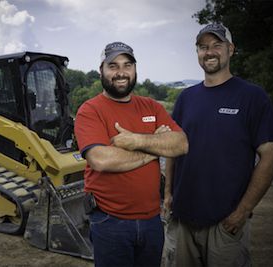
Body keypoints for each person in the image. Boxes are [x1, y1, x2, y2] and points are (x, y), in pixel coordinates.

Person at [164, 23, 273, 267]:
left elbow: (270, 154)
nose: (209, 52)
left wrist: (243, 211)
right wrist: (167, 194)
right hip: (183, 220)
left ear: (231, 49)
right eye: (203, 47)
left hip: (225, 223)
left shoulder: (252, 96)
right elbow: (173, 147)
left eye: (217, 45)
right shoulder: (187, 97)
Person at [74, 41, 189, 267]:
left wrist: (135, 140)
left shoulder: (151, 106)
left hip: (152, 221)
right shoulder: (90, 110)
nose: (121, 73)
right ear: (102, 70)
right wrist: (155, 148)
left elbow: (181, 143)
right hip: (109, 221)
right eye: (113, 66)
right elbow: (101, 159)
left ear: (135, 69)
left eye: (127, 65)